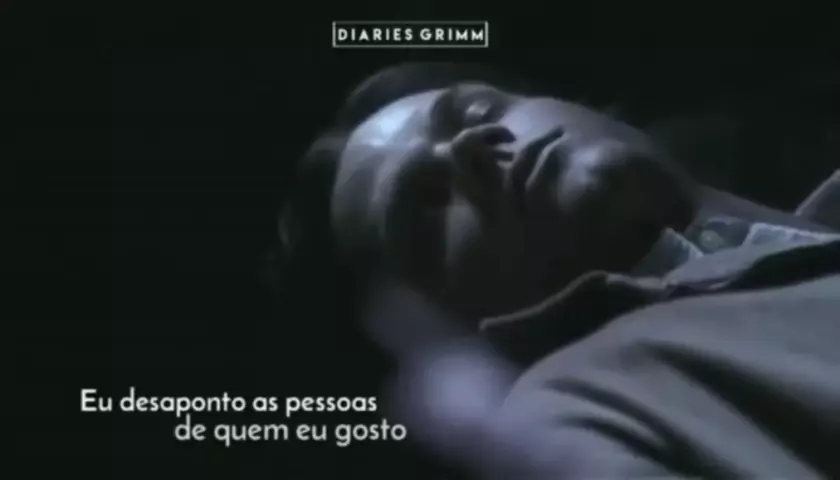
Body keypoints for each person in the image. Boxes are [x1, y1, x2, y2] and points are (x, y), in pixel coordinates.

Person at [271, 62, 840, 478]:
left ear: (589, 109)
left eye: (479, 111)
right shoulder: (583, 411)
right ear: (434, 331)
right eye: (424, 208)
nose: (468, 145)